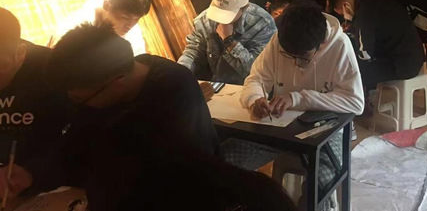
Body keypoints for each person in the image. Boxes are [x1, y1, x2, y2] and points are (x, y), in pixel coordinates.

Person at [48, 22, 295, 211]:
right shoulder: (124, 71)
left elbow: (157, 183)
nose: (79, 106)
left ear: (117, 83)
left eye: (79, 100)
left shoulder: (169, 96)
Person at [230, 3, 363, 210]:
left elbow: (355, 102)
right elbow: (256, 79)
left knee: (319, 183)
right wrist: (255, 99)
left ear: (321, 44)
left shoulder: (339, 46)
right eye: (289, 56)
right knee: (225, 162)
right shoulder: (280, 40)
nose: (295, 63)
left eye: (303, 58)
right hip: (280, 127)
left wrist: (299, 98)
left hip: (325, 130)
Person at [0, 9, 70, 199]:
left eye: (1, 67)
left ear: (20, 53)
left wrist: (32, 172)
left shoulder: (53, 70)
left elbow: (80, 138)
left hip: (45, 189)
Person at [178, 0, 276, 85]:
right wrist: (180, 73)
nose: (220, 19)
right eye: (218, 10)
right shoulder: (205, 19)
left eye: (228, 14)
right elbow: (193, 51)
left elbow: (257, 72)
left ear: (245, 8)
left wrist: (229, 41)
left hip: (246, 88)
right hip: (212, 85)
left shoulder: (263, 24)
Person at [329, 0, 425, 91]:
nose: (345, 17)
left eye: (342, 14)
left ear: (346, 6)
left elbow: (365, 54)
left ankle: (362, 99)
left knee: (353, 72)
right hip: (412, 56)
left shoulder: (363, 16)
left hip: (403, 64)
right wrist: (354, 30)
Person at [51, 0, 151, 55]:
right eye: (125, 17)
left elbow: (138, 59)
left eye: (137, 19)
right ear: (107, 5)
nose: (130, 25)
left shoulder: (132, 32)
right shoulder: (72, 28)